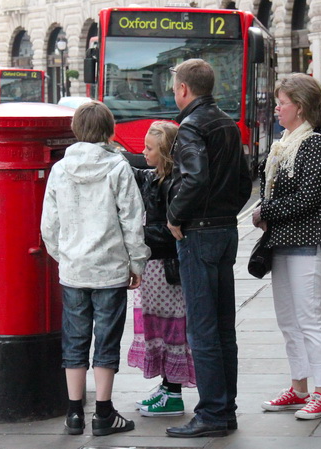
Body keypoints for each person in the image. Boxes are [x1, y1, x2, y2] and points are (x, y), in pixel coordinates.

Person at [41, 101, 151, 436]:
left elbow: (50, 224)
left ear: (76, 130)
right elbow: (133, 220)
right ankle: (103, 414)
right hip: (110, 269)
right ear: (108, 130)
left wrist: (65, 256)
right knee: (106, 340)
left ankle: (74, 414)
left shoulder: (60, 169)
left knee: (74, 340)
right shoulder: (118, 167)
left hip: (75, 269)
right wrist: (137, 263)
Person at [165, 58, 252, 438]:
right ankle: (225, 408)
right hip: (224, 231)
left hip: (198, 234)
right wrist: (226, 213)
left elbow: (195, 178)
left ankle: (213, 414)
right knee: (223, 329)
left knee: (202, 329)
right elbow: (245, 182)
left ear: (184, 89)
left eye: (174, 88)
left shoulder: (190, 126)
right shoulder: (227, 124)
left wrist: (174, 215)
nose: (174, 93)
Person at [252, 73, 321, 420]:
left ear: (299, 108)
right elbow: (268, 188)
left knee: (309, 318)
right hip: (282, 241)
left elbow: (309, 197)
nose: (276, 107)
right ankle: (299, 387)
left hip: (309, 240)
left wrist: (265, 211)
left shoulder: (315, 144)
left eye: (282, 102)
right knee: (288, 320)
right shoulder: (283, 143)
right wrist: (265, 208)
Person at [128, 121, 196, 417]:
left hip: (166, 272)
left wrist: (136, 237)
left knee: (171, 333)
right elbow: (132, 169)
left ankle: (174, 394)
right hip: (154, 269)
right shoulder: (155, 176)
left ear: (166, 153)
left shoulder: (174, 184)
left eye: (149, 148)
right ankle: (167, 387)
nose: (143, 152)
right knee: (158, 330)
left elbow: (171, 232)